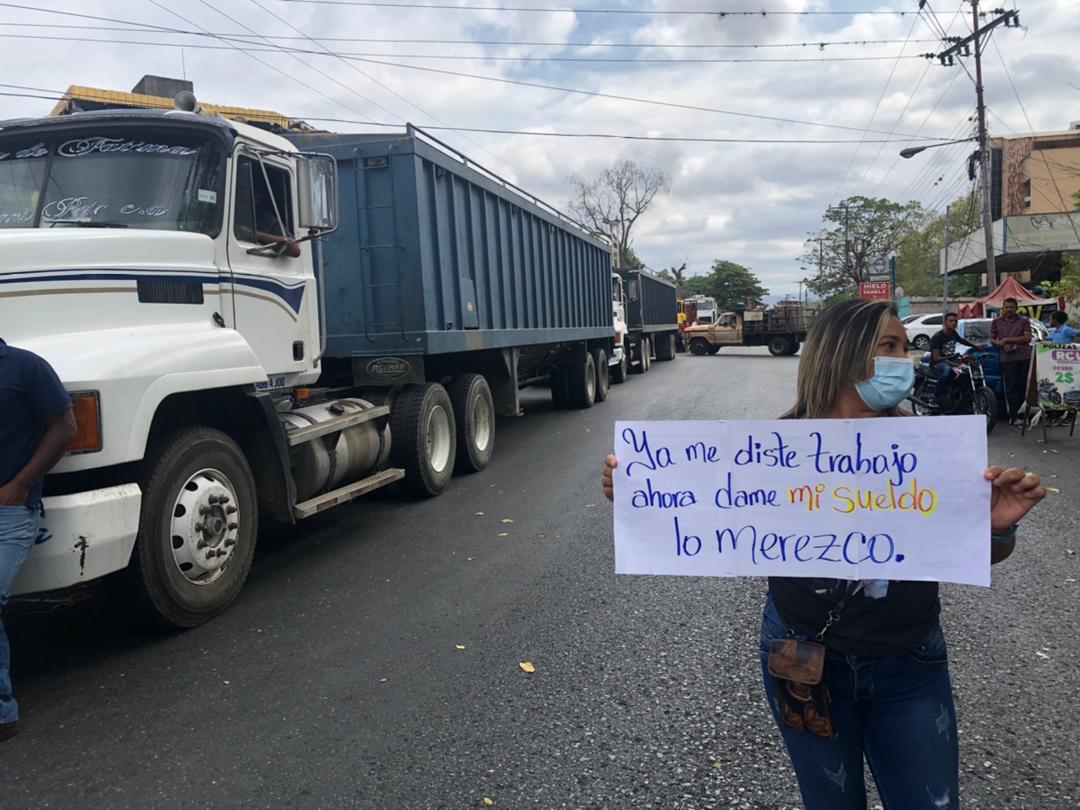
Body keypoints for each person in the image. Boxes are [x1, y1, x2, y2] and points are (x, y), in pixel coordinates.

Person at [600, 299, 1047, 810]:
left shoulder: (932, 451)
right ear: (842, 355)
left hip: (909, 661)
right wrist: (639, 493)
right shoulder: (773, 450)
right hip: (802, 657)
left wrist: (995, 529)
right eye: (890, 347)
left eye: (905, 346)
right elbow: (699, 514)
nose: (907, 359)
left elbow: (979, 553)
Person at [0, 338, 77, 742]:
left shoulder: (25, 366)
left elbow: (65, 427)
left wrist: (19, 486)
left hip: (10, 511)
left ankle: (3, 714)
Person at [990, 297, 1033, 426]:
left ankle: (1023, 415)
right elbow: (992, 339)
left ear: (1016, 308)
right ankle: (1014, 416)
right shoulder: (996, 322)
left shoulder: (1024, 321)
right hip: (1007, 359)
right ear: (1003, 308)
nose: (1008, 310)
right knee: (1011, 388)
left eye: (1011, 307)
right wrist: (1001, 345)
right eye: (1006, 307)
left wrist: (1008, 340)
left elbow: (1027, 338)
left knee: (1023, 387)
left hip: (1024, 357)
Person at [927, 312, 984, 401]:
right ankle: (935, 396)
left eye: (955, 321)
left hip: (951, 361)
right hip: (937, 364)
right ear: (945, 322)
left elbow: (962, 340)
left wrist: (975, 346)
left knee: (967, 370)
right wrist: (954, 364)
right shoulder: (937, 337)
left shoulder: (953, 333)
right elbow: (937, 358)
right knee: (947, 371)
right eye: (950, 321)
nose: (953, 323)